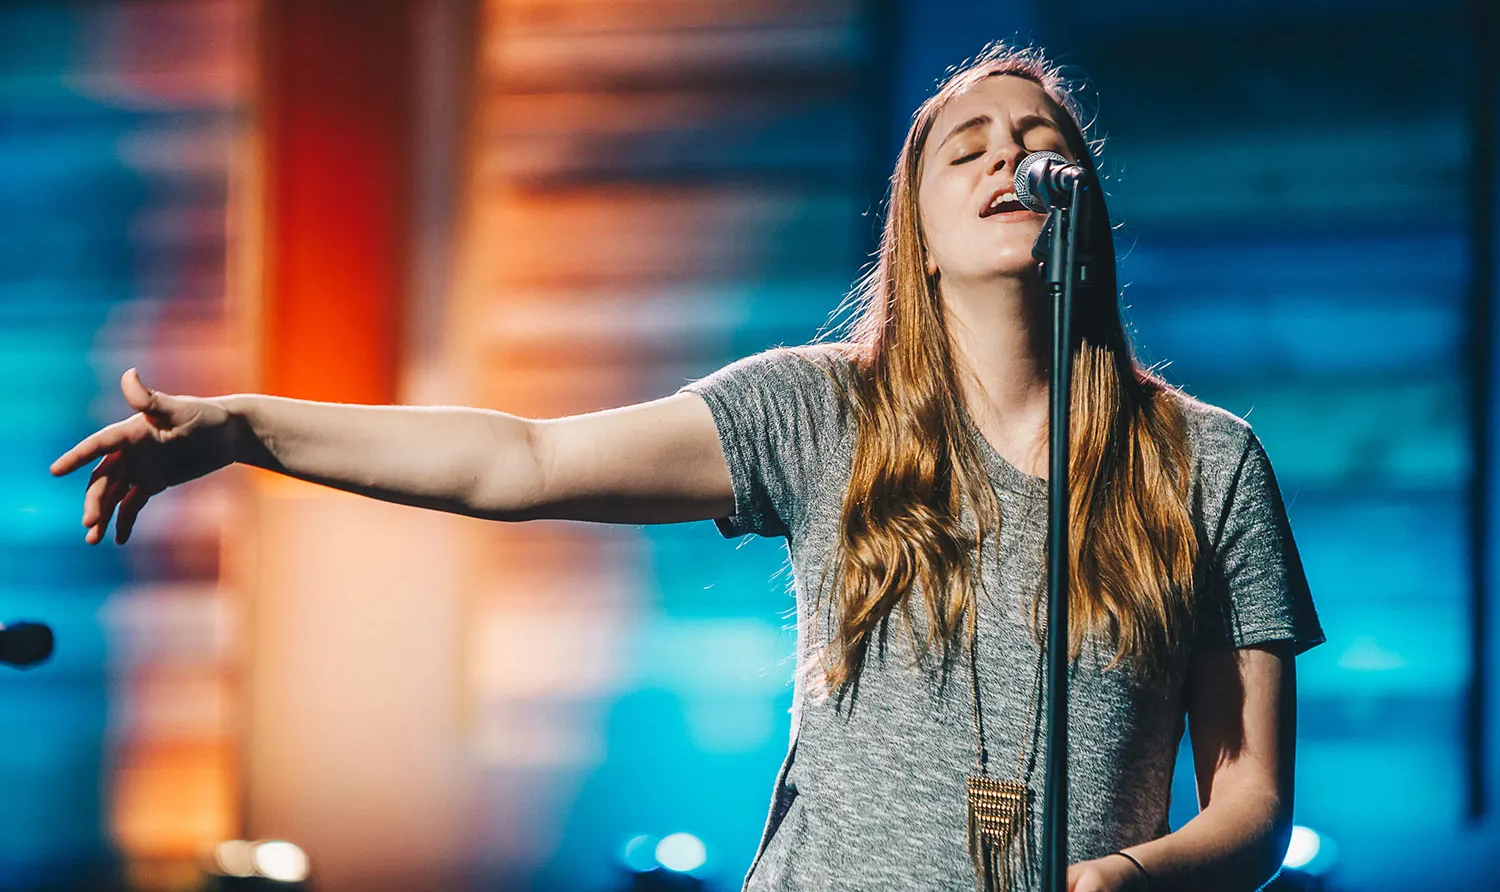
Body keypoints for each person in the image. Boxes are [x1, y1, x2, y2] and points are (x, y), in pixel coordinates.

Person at [51, 43, 1323, 892]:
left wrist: (1136, 876)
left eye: (1040, 139)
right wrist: (246, 427)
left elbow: (1252, 794)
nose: (1009, 154)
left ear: (1081, 199)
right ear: (920, 234)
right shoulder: (822, 412)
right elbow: (525, 460)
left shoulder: (1209, 462)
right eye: (968, 143)